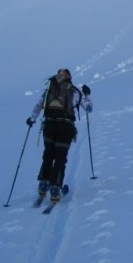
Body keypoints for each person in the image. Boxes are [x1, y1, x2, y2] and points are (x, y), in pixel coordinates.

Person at [26, 68, 93, 204]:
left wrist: (32, 119)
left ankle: (43, 186)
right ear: (69, 77)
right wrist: (87, 94)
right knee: (60, 158)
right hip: (66, 127)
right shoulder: (74, 91)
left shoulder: (49, 89)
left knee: (48, 155)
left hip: (49, 126)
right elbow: (89, 108)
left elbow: (38, 106)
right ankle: (55, 189)